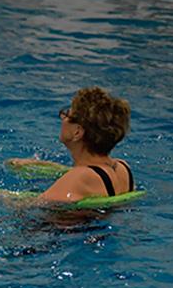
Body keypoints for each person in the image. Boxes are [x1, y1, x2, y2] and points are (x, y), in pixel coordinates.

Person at [7, 87, 135, 203]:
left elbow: (31, 205)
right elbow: (91, 176)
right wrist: (46, 167)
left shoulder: (78, 178)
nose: (62, 117)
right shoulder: (123, 168)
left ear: (77, 132)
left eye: (67, 114)